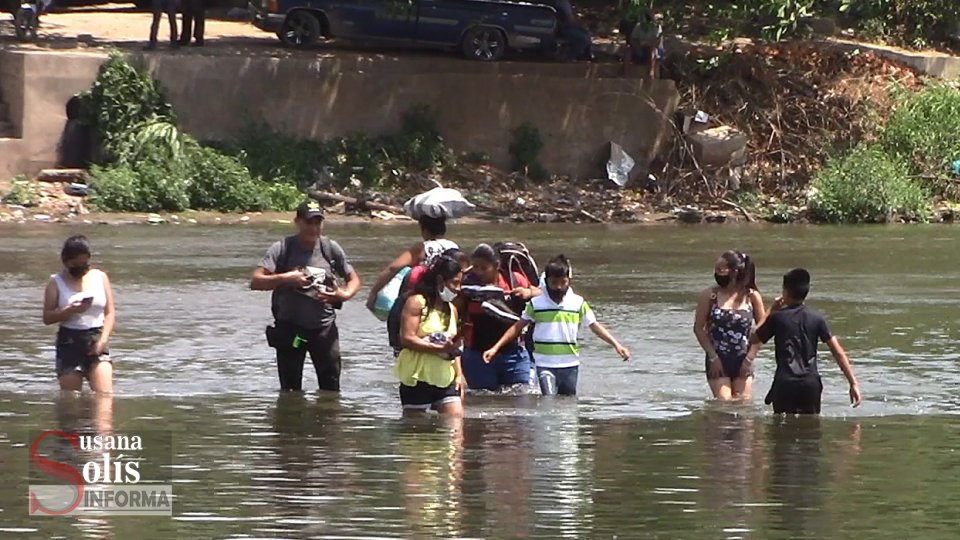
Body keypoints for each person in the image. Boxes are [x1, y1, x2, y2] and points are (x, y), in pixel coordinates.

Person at [251, 200, 362, 392]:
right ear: (297, 222)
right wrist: (287, 278)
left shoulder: (330, 248)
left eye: (318, 222)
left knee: (331, 390)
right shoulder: (282, 248)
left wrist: (343, 294)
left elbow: (354, 279)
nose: (313, 228)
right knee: (290, 390)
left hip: (323, 330)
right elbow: (256, 281)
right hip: (292, 331)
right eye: (309, 222)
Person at [483, 255, 629, 395]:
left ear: (568, 281)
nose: (559, 287)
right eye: (554, 283)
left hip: (570, 363)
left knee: (567, 404)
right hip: (545, 363)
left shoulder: (578, 303)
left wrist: (617, 345)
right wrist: (495, 348)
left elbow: (595, 326)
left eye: (563, 283)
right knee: (549, 401)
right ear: (546, 281)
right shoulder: (536, 304)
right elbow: (517, 327)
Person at [748, 268, 862, 414]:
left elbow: (753, 338)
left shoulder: (777, 318)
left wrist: (771, 309)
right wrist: (853, 383)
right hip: (810, 384)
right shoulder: (817, 318)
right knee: (811, 429)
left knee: (782, 432)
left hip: (785, 383)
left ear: (785, 291)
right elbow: (838, 352)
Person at [457, 243, 539, 391]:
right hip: (478, 355)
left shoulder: (513, 279)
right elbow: (454, 312)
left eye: (483, 268)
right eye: (475, 267)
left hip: (514, 354)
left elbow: (543, 294)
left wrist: (529, 293)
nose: (478, 272)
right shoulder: (467, 285)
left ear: (496, 265)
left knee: (522, 398)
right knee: (484, 401)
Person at [42, 235, 116, 393]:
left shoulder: (100, 277)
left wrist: (103, 340)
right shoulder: (56, 282)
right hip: (69, 342)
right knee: (71, 401)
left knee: (104, 397)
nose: (81, 269)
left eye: (85, 264)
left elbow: (109, 312)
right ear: (66, 261)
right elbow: (47, 318)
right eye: (76, 265)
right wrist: (69, 310)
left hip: (96, 338)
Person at [395, 254, 466, 415]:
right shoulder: (417, 302)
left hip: (445, 378)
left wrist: (459, 375)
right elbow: (406, 338)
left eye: (460, 283)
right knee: (415, 434)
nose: (458, 288)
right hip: (416, 378)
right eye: (455, 283)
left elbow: (453, 348)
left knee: (455, 429)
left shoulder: (452, 309)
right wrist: (438, 348)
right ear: (440, 280)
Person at [694, 250, 766, 401]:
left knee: (743, 407)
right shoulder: (710, 296)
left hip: (744, 359)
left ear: (735, 272)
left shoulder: (752, 296)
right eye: (716, 270)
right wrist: (713, 357)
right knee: (724, 405)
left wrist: (750, 358)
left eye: (721, 270)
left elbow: (763, 329)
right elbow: (699, 328)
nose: (717, 273)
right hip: (717, 359)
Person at [365, 214, 457, 312]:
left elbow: (393, 268)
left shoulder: (422, 247)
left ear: (424, 230)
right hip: (450, 294)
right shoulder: (453, 246)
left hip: (426, 297)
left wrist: (374, 292)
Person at [622, 9, 664, 79]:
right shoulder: (638, 26)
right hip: (640, 48)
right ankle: (625, 73)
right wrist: (637, 46)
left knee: (652, 50)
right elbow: (632, 39)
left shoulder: (656, 28)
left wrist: (646, 43)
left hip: (654, 50)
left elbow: (656, 42)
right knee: (628, 50)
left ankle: (651, 71)